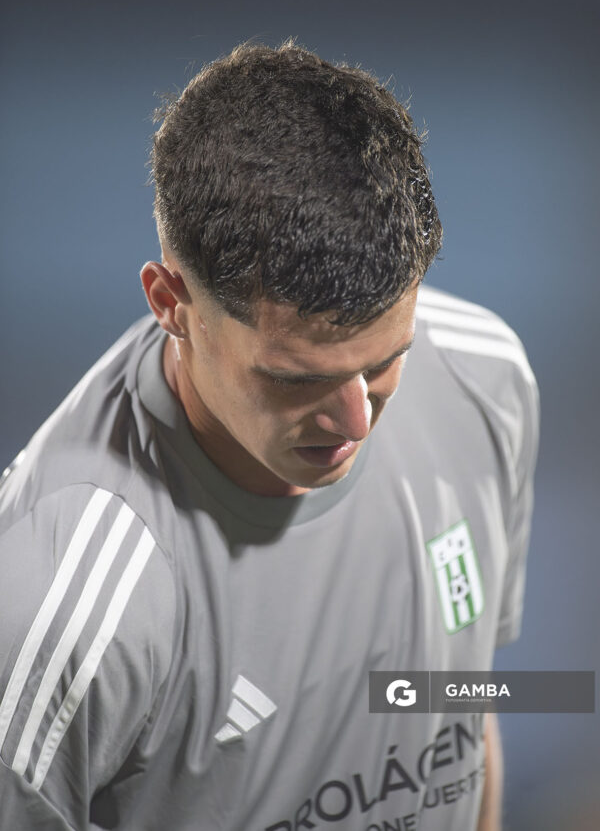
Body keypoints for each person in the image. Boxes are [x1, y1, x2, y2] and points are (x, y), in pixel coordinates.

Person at [0, 42, 538, 831]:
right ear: (171, 303)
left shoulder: (486, 379)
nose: (357, 420)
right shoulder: (56, 608)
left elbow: (458, 711)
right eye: (295, 379)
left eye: (388, 360)